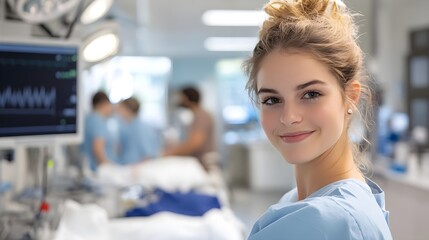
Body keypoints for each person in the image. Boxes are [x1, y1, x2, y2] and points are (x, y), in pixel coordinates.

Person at [243, 0, 392, 239]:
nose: (289, 117)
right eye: (272, 99)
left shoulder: (326, 220)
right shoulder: (303, 202)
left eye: (311, 94)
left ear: (351, 97)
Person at [162, 87, 216, 171]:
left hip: (205, 165)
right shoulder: (197, 115)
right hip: (201, 164)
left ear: (186, 98)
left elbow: (194, 143)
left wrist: (170, 153)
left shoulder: (201, 116)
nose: (179, 100)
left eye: (181, 97)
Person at [116, 97, 160, 165]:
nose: (118, 112)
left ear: (127, 110)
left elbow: (148, 155)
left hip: (137, 169)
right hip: (128, 166)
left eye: (121, 109)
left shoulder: (140, 128)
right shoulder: (128, 127)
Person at [82, 91, 117, 172]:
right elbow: (98, 150)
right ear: (103, 104)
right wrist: (110, 169)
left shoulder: (88, 119)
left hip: (88, 169)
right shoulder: (97, 121)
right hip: (98, 171)